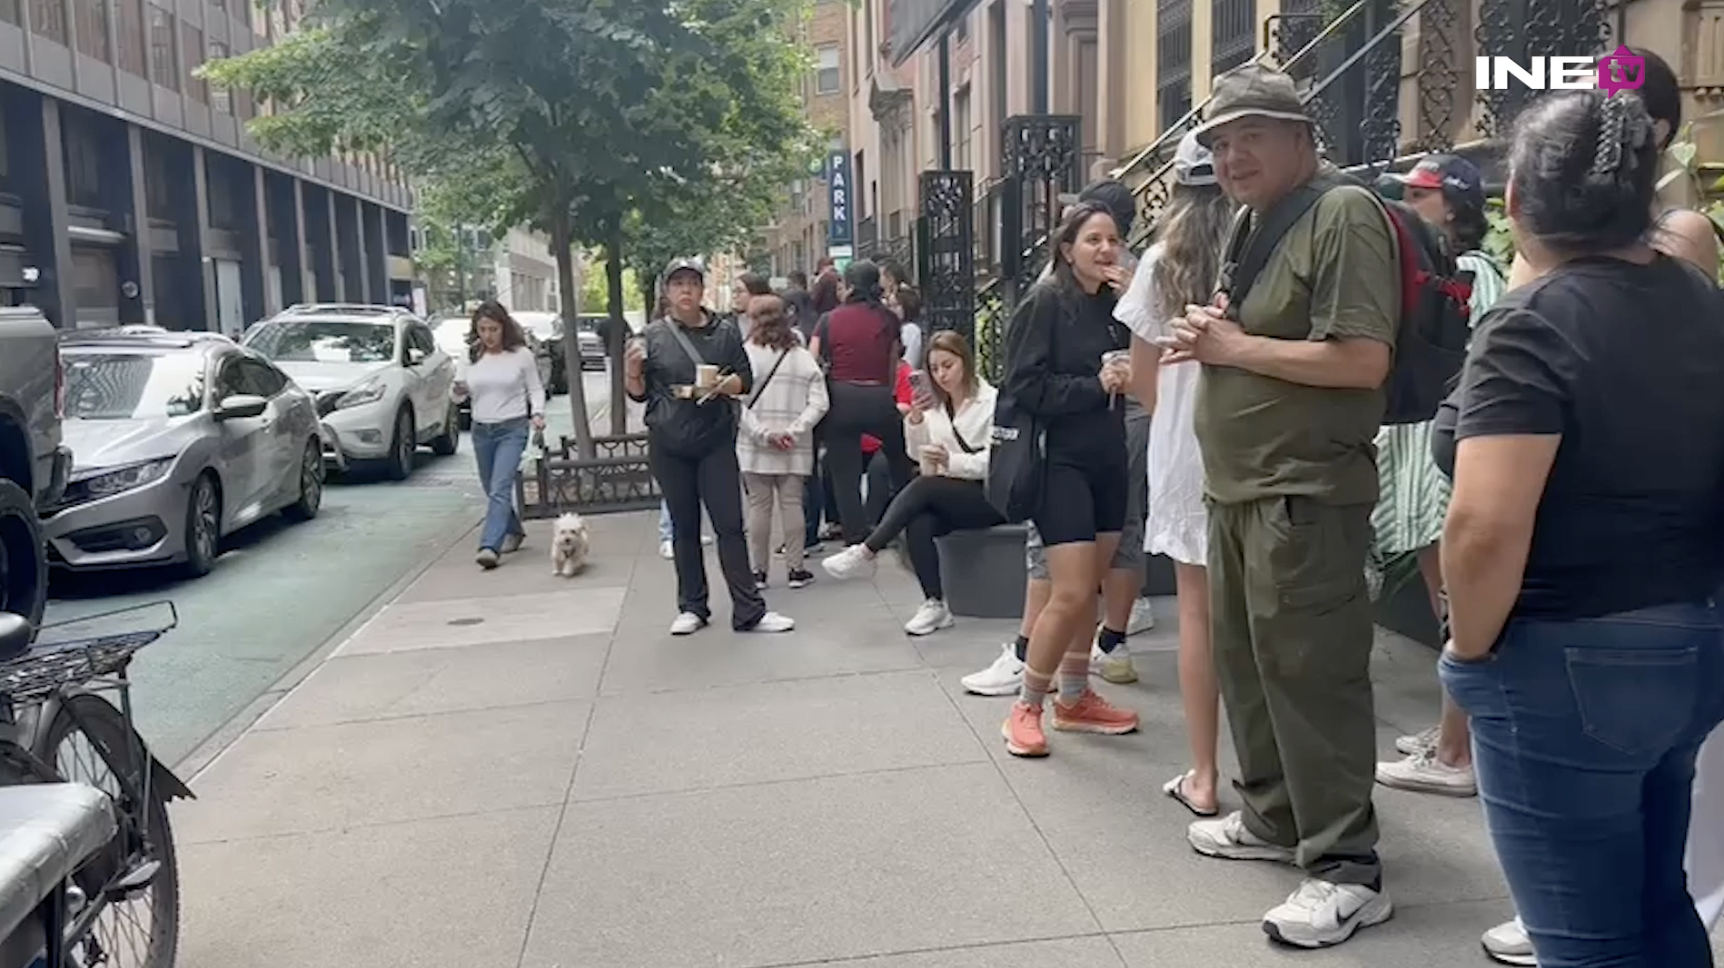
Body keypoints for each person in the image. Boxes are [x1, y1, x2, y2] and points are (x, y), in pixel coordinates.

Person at [1436, 88, 1724, 968]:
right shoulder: (1703, 302)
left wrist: (1469, 655)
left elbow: (1484, 522)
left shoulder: (1532, 325)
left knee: (1587, 942)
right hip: (1693, 636)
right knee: (1656, 905)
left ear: (1515, 201)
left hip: (1566, 655)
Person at [1173, 62, 1398, 947]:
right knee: (1250, 664)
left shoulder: (1341, 214)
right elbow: (1252, 342)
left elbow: (1361, 360)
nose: (1231, 157)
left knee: (1311, 673)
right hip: (1243, 488)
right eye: (1221, 143)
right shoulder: (1252, 219)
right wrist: (1220, 341)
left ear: (1302, 138)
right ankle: (1272, 816)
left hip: (1304, 491)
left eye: (1249, 137)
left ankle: (1347, 867)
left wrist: (1235, 346)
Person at [1372, 154, 1507, 800]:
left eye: (1421, 195)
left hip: (1445, 448)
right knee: (1443, 591)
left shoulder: (1472, 273)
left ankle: (1456, 749)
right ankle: (1453, 734)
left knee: (1455, 594)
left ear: (1451, 205)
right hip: (1428, 443)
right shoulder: (1437, 268)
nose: (1409, 203)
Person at [997, 200, 1141, 759]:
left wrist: (1136, 310)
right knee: (1073, 588)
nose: (1107, 250)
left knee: (1094, 586)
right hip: (1060, 460)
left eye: (1113, 239)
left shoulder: (1115, 305)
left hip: (1109, 452)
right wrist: (1095, 384)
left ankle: (1076, 697)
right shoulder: (1045, 303)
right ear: (1067, 250)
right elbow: (1023, 387)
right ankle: (1027, 705)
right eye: (1094, 240)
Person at [1117, 130, 1234, 817]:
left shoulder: (1163, 261)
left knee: (1197, 609)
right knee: (1256, 608)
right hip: (1256, 428)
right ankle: (1272, 768)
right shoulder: (1265, 245)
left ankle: (1205, 772)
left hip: (1185, 440)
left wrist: (1174, 424)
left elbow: (1142, 377)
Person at [625, 257, 795, 635]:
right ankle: (692, 606)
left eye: (692, 283)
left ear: (702, 290)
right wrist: (632, 369)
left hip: (714, 440)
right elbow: (637, 394)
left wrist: (722, 384)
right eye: (677, 284)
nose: (685, 290)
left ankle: (749, 609)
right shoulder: (650, 336)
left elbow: (745, 381)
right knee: (684, 527)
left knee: (729, 525)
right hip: (668, 442)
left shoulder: (725, 332)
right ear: (667, 292)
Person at [822, 331, 1000, 635]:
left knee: (925, 488)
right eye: (934, 368)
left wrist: (951, 462)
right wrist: (916, 420)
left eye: (948, 365)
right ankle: (934, 603)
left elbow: (997, 462)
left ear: (965, 363)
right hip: (949, 489)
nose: (942, 375)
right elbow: (914, 453)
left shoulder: (991, 401)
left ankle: (867, 549)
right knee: (919, 519)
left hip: (989, 493)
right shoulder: (936, 405)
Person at [808, 260, 914, 546]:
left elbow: (812, 362)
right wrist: (885, 391)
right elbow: (893, 361)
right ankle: (909, 520)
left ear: (850, 286)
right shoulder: (889, 319)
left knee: (845, 471)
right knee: (899, 459)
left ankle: (854, 534)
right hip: (878, 395)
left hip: (841, 398)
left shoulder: (828, 320)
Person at [737, 293, 828, 590]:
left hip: (754, 445)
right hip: (794, 445)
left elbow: (735, 404)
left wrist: (762, 433)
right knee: (792, 504)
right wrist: (795, 430)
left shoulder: (745, 356)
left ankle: (758, 572)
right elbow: (820, 403)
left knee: (758, 506)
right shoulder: (802, 358)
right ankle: (795, 569)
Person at [451, 301, 545, 570]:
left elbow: (535, 389)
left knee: (500, 486)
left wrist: (537, 413)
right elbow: (457, 396)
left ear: (504, 327)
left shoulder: (521, 355)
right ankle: (514, 529)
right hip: (482, 429)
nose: (488, 335)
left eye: (493, 329)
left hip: (512, 428)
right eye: (482, 329)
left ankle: (489, 545)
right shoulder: (470, 355)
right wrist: (458, 390)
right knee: (491, 487)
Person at [782, 269, 814, 337]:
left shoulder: (795, 295)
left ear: (797, 284)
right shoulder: (811, 297)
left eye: (789, 284)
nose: (787, 287)